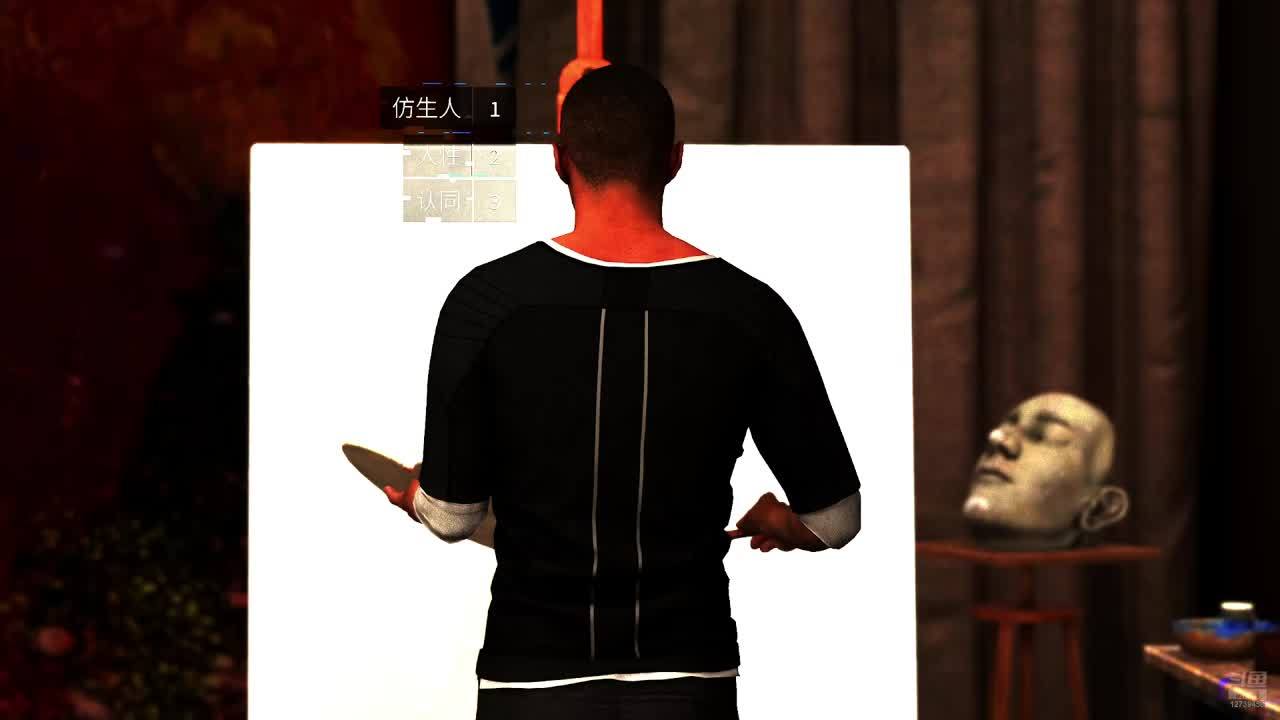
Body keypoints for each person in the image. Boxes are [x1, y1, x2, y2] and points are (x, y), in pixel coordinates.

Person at [382, 64, 862, 720]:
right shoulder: (750, 311)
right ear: (674, 160)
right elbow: (835, 520)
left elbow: (451, 516)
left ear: (559, 160)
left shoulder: (486, 302)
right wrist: (782, 522)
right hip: (689, 679)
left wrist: (418, 494)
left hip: (530, 681)